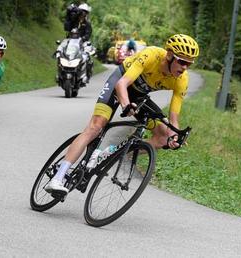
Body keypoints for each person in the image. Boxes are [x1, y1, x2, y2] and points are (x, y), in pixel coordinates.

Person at [45, 34, 200, 194]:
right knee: (95, 127)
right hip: (119, 83)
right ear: (169, 56)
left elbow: (173, 118)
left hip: (138, 96)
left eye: (189, 64)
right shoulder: (151, 55)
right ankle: (58, 176)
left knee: (162, 136)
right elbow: (122, 84)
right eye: (181, 61)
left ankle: (109, 154)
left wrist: (175, 136)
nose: (184, 67)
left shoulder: (182, 79)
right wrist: (126, 105)